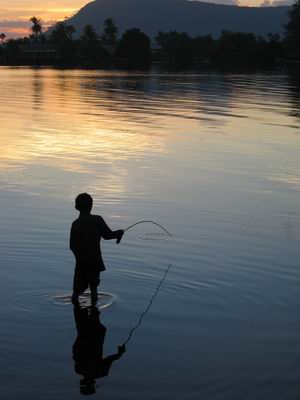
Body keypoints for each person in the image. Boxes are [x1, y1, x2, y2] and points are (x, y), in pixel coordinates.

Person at [70, 193, 124, 303]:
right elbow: (108, 235)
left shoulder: (75, 224)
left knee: (76, 291)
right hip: (95, 261)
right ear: (91, 206)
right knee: (94, 289)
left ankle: (75, 309)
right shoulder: (97, 219)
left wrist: (79, 257)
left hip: (81, 263)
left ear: (76, 207)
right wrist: (119, 233)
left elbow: (72, 246)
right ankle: (94, 309)